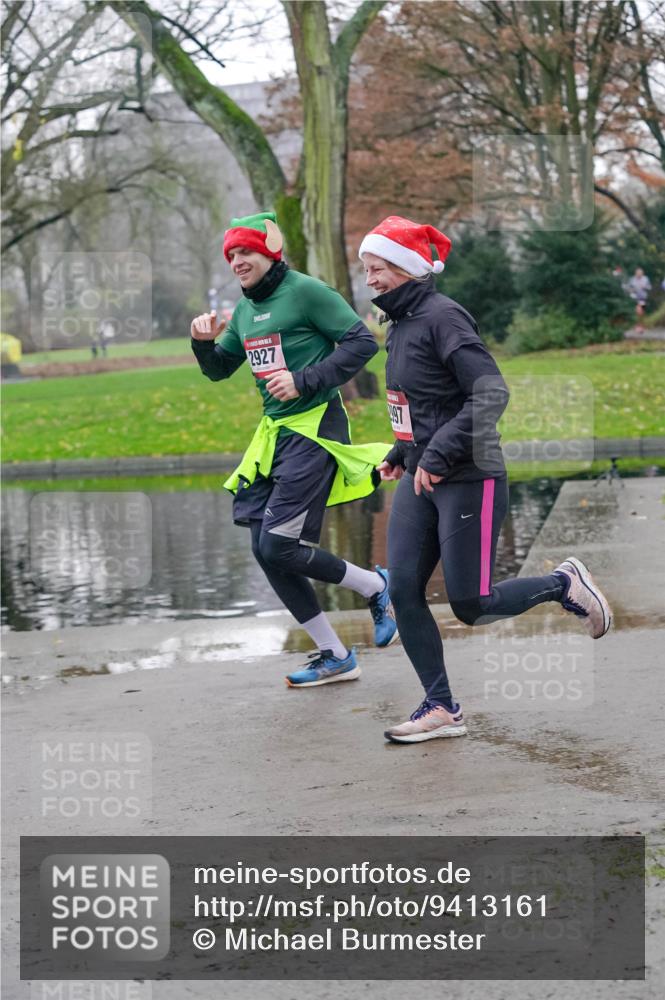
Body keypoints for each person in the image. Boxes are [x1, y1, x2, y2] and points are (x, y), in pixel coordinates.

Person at [358, 216, 613, 744]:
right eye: (366, 269)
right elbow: (423, 403)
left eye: (377, 268)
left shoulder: (443, 318)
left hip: (471, 475)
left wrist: (438, 454)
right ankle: (441, 706)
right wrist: (402, 453)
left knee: (470, 604)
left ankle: (563, 584)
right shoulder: (401, 324)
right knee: (402, 589)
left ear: (406, 268)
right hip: (422, 476)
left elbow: (491, 393)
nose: (370, 279)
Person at [191, 211, 396, 688]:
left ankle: (376, 586)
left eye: (247, 252)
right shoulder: (245, 311)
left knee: (280, 544)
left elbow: (363, 342)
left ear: (269, 252)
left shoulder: (306, 292)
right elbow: (221, 368)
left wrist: (304, 379)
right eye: (232, 255)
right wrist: (202, 344)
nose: (238, 261)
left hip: (316, 429)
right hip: (275, 435)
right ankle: (335, 653)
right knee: (266, 551)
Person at [626, 268, 651, 332]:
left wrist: (644, 287)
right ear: (635, 273)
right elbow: (628, 288)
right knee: (638, 311)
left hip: (643, 298)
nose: (639, 274)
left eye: (640, 273)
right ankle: (639, 326)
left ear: (642, 273)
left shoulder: (645, 279)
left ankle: (641, 326)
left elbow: (649, 287)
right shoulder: (632, 279)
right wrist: (632, 290)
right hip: (634, 298)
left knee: (641, 312)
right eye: (638, 273)